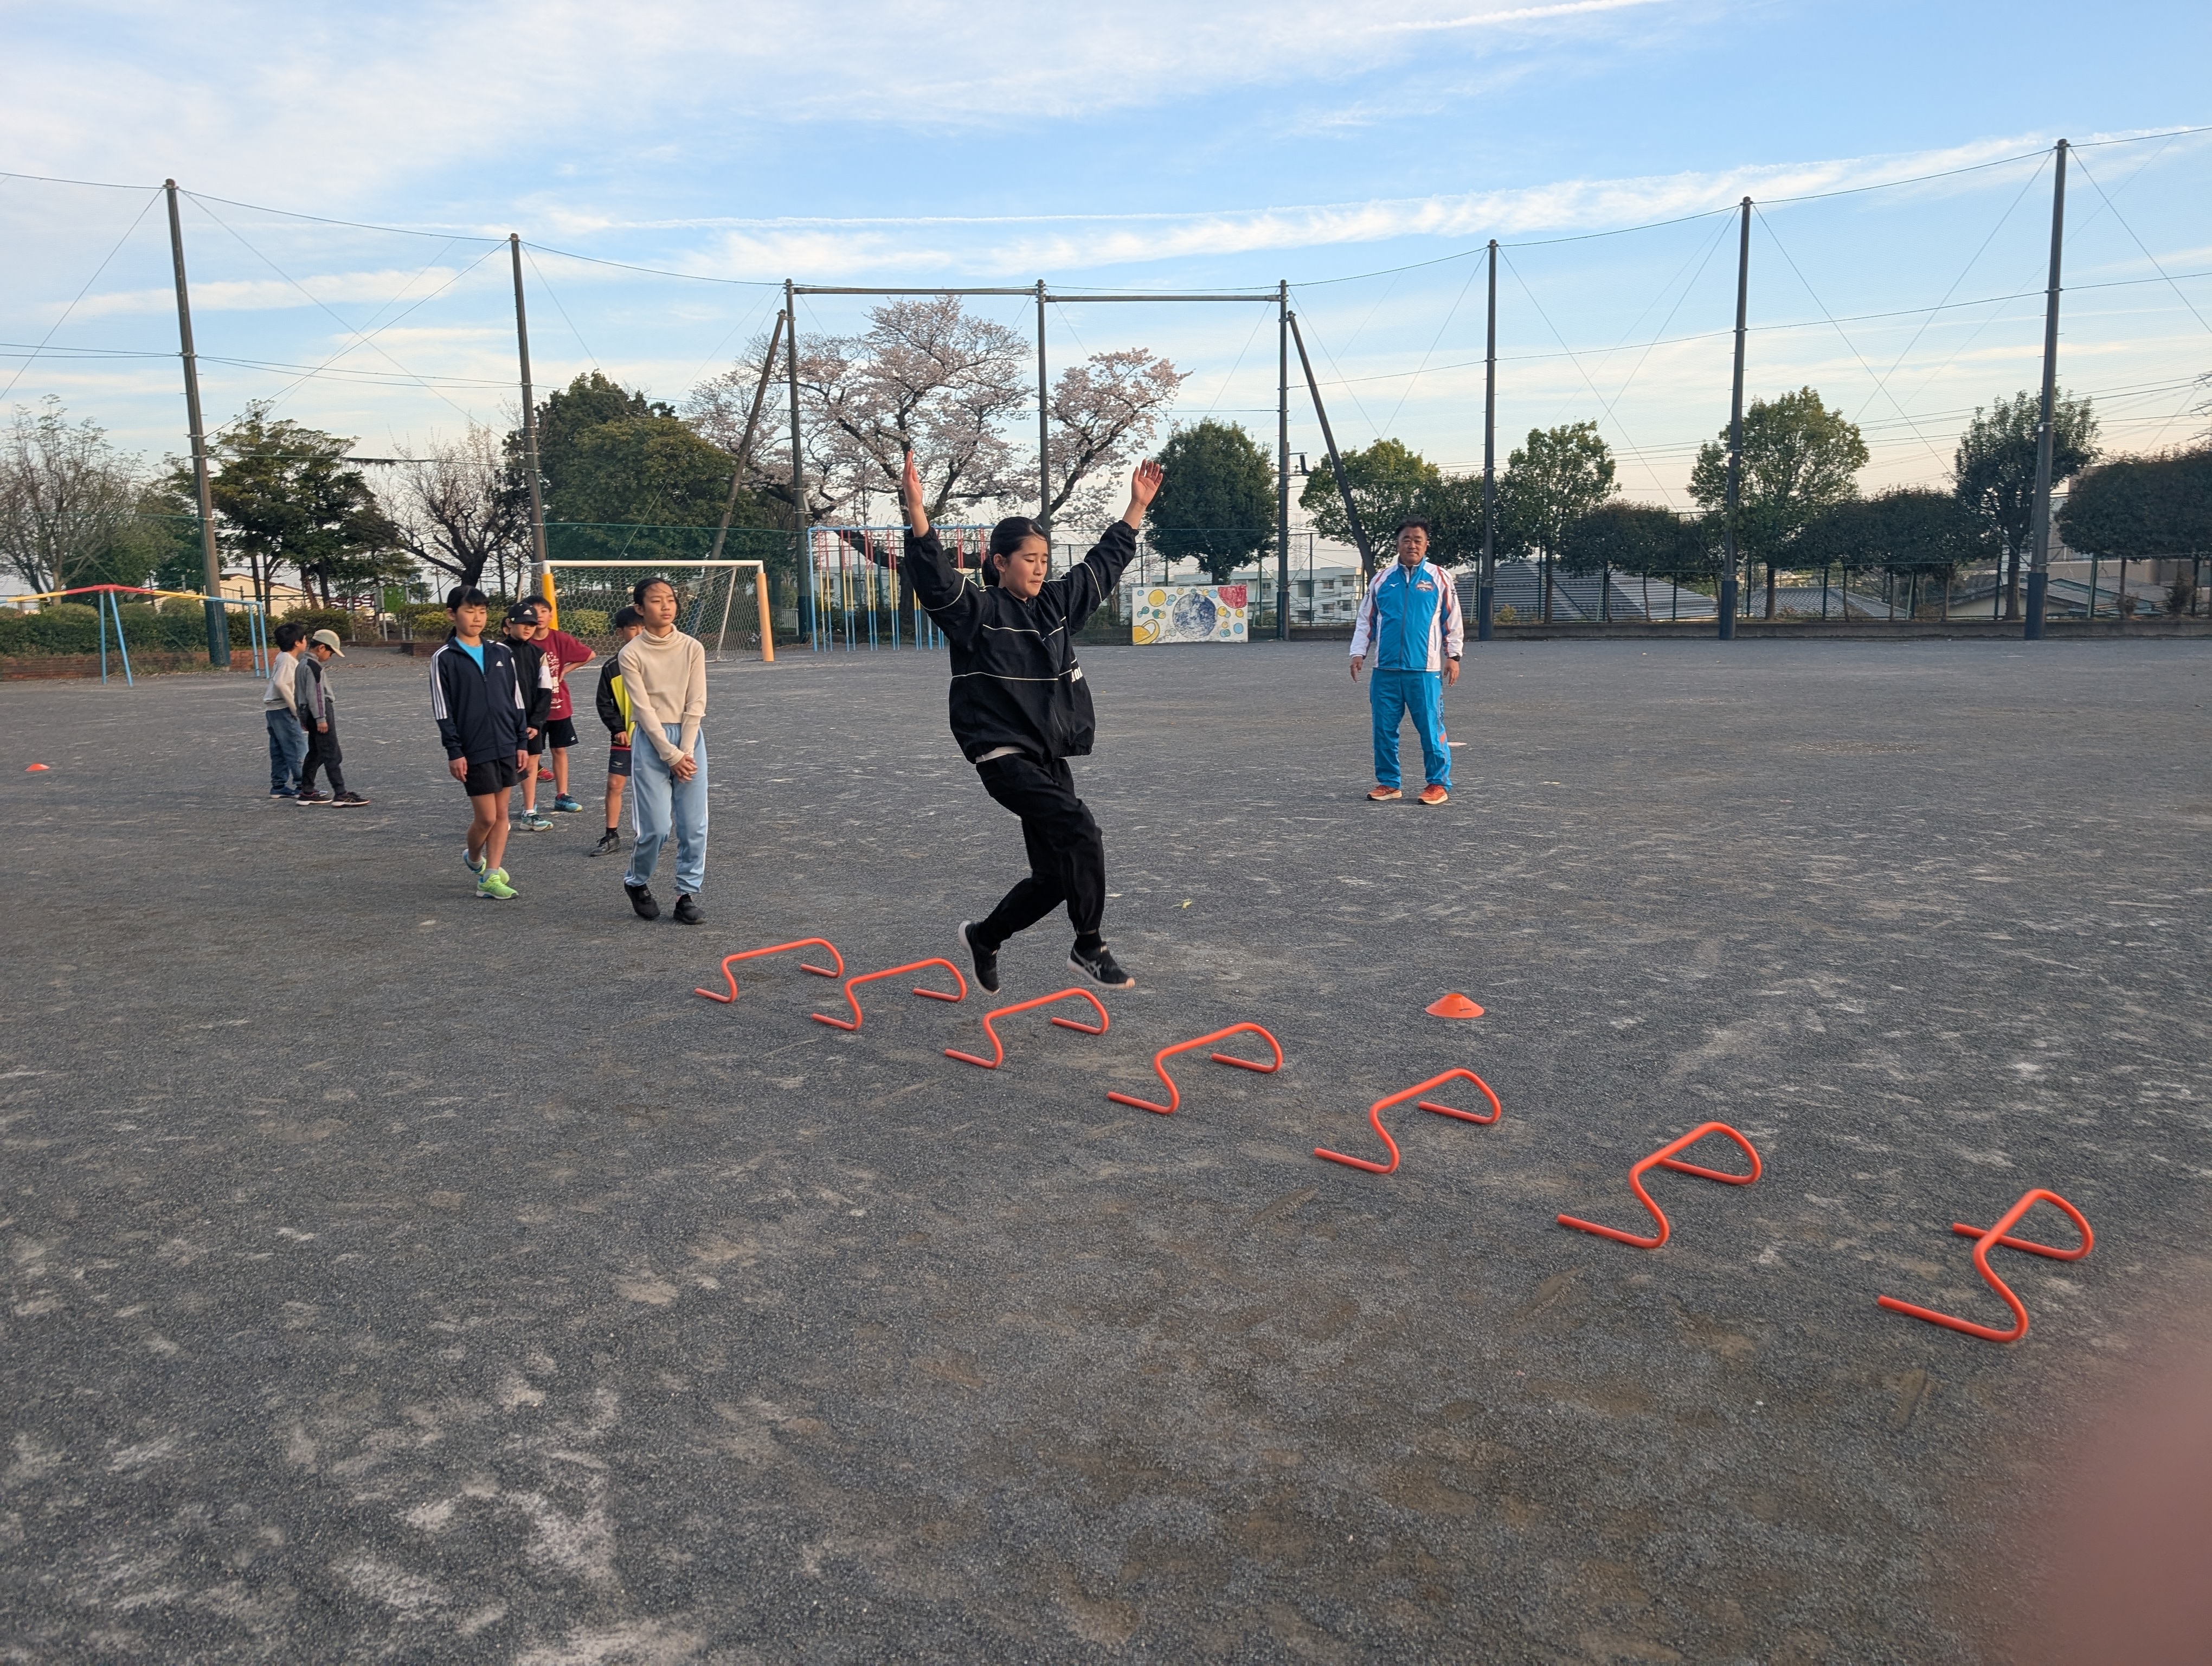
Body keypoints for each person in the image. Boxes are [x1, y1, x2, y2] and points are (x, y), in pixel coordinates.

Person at [902, 450, 1160, 994]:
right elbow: (935, 578)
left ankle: (985, 937)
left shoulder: (1056, 606)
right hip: (1003, 757)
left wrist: (1136, 507)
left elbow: (1103, 565)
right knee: (1081, 829)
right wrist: (918, 513)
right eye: (1029, 559)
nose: (1041, 568)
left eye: (1045, 558)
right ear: (1000, 563)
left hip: (1047, 756)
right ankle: (1089, 946)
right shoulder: (978, 613)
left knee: (1057, 876)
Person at [1350, 516, 1463, 806]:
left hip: (1424, 671)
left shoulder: (1440, 578)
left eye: (1418, 540)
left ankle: (1437, 783)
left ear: (1426, 545)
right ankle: (1389, 783)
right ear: (1398, 544)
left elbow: (1452, 619)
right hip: (1385, 670)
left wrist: (1453, 656)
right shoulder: (1381, 579)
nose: (1412, 545)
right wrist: (1358, 652)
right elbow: (1366, 620)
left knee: (1431, 729)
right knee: (1383, 730)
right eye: (1406, 540)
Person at [430, 586, 531, 901]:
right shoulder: (444, 658)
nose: (477, 618)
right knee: (486, 817)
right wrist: (454, 751)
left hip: (507, 742)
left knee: (502, 815)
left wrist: (521, 741)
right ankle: (474, 858)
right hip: (474, 747)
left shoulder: (502, 652)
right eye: (470, 611)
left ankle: (491, 875)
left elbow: (516, 699)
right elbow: (443, 709)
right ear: (452, 614)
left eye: (483, 611)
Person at [616, 578, 707, 924]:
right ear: (640, 609)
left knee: (694, 825)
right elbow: (643, 710)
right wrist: (671, 755)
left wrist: (685, 750)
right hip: (652, 741)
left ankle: (686, 894)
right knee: (655, 828)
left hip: (689, 739)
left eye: (670, 599)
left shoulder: (692, 647)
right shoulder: (631, 654)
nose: (666, 605)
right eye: (656, 600)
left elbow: (696, 702)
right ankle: (636, 881)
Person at [530, 597, 594, 815]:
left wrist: (566, 669)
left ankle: (562, 795)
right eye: (534, 611)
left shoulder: (559, 639)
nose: (539, 616)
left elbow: (590, 654)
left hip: (559, 705)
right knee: (533, 755)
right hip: (534, 710)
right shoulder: (526, 641)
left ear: (550, 615)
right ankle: (530, 802)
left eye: (543, 611)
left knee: (559, 750)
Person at [590, 604, 644, 858]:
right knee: (614, 785)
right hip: (625, 738)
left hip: (655, 737)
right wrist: (618, 728)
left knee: (651, 787)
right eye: (633, 628)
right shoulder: (612, 667)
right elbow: (604, 703)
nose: (639, 633)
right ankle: (611, 835)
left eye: (643, 627)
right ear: (620, 632)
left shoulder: (660, 660)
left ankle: (648, 834)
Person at [293, 629, 368, 806]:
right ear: (321, 648)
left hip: (307, 712)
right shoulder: (314, 667)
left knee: (316, 752)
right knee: (332, 753)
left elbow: (297, 694)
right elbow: (317, 695)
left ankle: (307, 791)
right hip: (320, 712)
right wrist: (321, 718)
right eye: (331, 652)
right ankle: (340, 793)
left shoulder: (301, 664)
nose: (330, 656)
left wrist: (302, 717)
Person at [501, 604, 555, 832]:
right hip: (505, 720)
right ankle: (500, 817)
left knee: (532, 762)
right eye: (523, 623)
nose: (527, 628)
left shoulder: (538, 654)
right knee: (505, 764)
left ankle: (529, 812)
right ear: (509, 624)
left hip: (531, 721)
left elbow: (546, 689)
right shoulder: (497, 652)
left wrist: (536, 723)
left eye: (532, 624)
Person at [262, 623, 309, 799]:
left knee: (280, 749)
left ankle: (279, 785)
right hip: (283, 710)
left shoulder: (282, 657)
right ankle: (303, 786)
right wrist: (296, 711)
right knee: (297, 748)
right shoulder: (289, 661)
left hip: (273, 710)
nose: (306, 642)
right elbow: (281, 683)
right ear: (297, 643)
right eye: (304, 639)